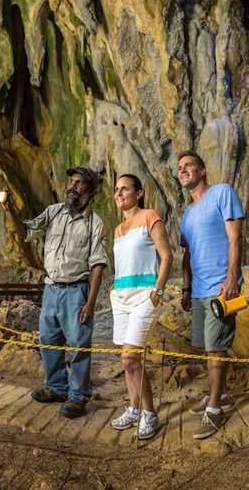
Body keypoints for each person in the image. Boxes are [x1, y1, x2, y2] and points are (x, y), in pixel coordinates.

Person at [0, 166, 107, 419]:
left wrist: (90, 303)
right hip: (51, 288)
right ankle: (57, 386)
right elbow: (26, 232)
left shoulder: (95, 222)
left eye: (79, 183)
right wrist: (9, 210)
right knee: (49, 340)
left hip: (76, 290)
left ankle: (79, 395)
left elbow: (98, 265)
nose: (72, 186)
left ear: (89, 191)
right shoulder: (54, 212)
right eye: (71, 181)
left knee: (79, 344)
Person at [177, 150, 245, 440]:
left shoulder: (222, 193)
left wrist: (232, 277)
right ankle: (221, 393)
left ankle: (215, 408)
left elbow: (235, 237)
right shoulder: (187, 213)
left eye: (188, 165)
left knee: (215, 349)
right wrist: (186, 286)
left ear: (203, 170)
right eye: (179, 168)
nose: (183, 170)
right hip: (199, 289)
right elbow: (187, 253)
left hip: (220, 286)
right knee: (206, 347)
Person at [109, 174, 172, 439]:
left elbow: (167, 256)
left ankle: (150, 413)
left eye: (125, 189)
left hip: (144, 295)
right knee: (126, 361)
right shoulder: (118, 229)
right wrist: (113, 287)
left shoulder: (149, 216)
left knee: (130, 357)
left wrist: (158, 290)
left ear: (139, 193)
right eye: (116, 190)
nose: (119, 194)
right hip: (120, 296)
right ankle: (133, 408)